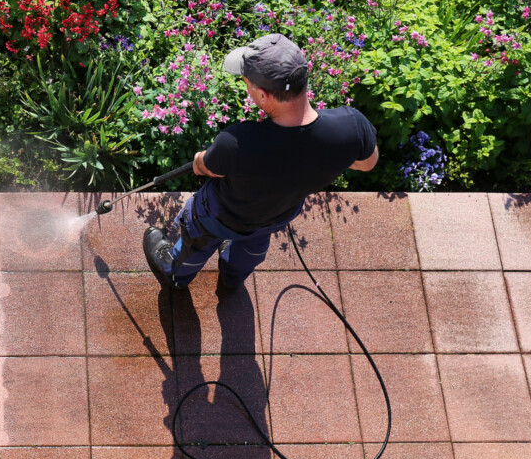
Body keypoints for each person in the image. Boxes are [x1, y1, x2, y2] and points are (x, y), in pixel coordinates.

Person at [144, 33, 379, 293]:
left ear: (264, 96)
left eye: (248, 84)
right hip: (275, 215)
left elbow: (204, 167)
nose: (247, 89)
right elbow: (367, 163)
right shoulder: (352, 126)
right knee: (251, 248)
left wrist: (200, 158)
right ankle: (232, 278)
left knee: (197, 242)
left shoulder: (236, 143)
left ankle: (177, 274)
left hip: (220, 215)